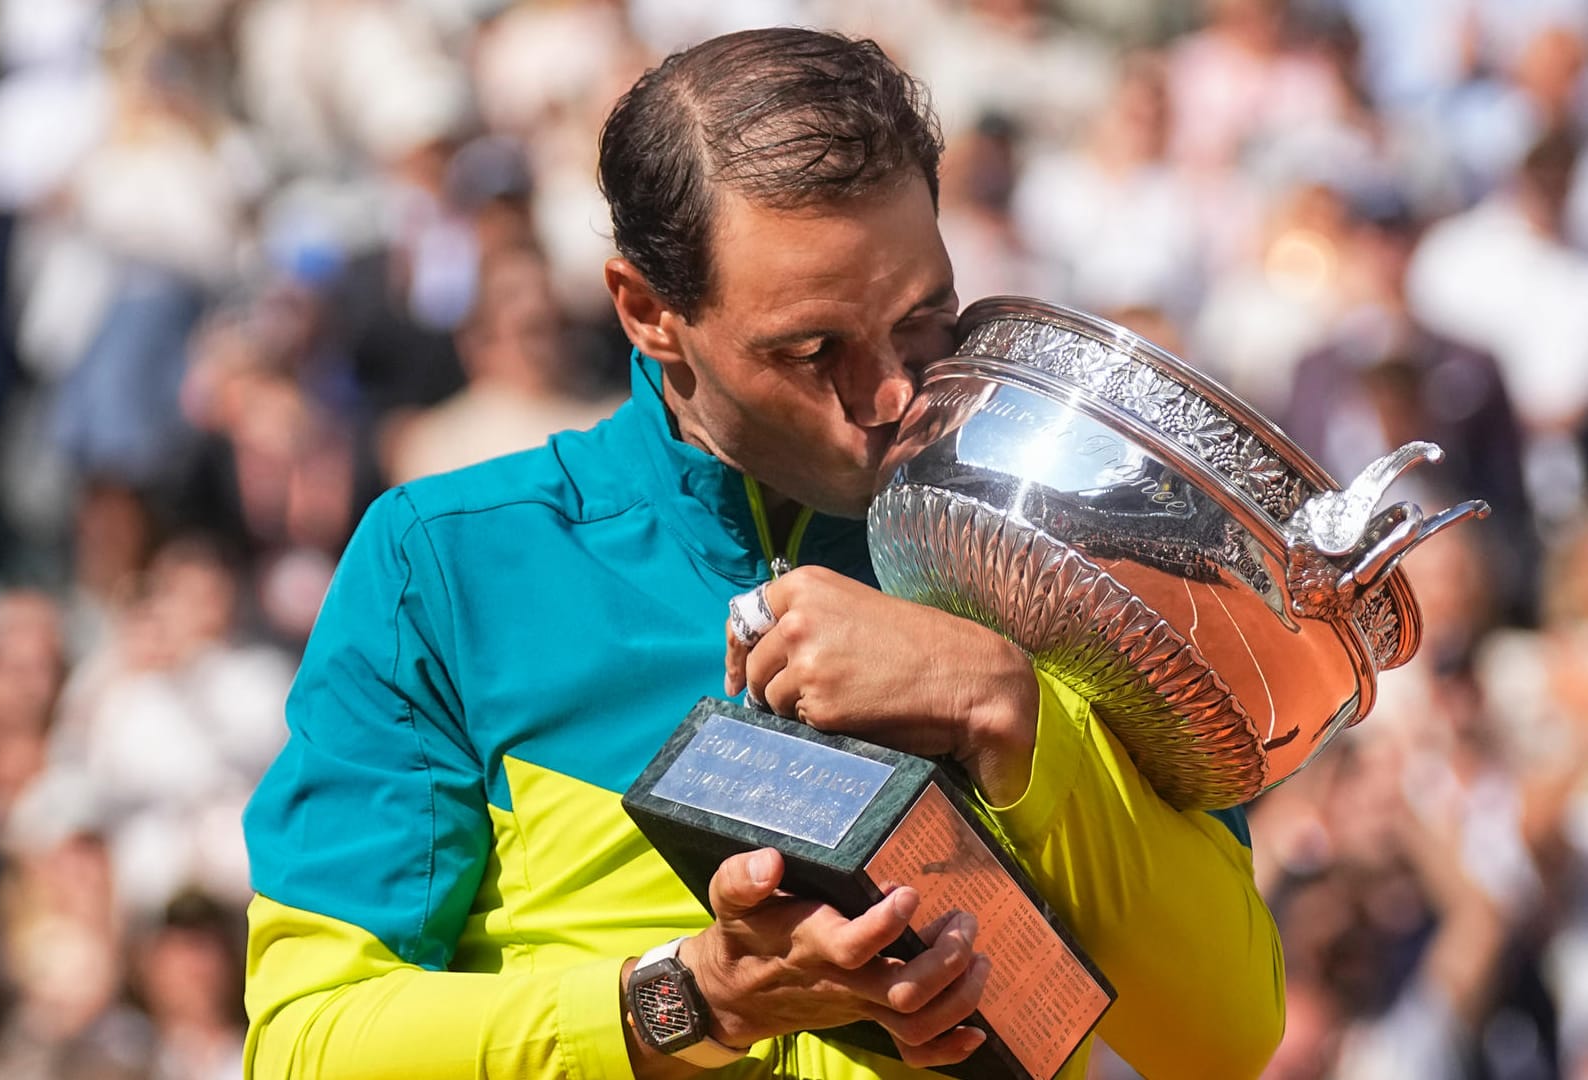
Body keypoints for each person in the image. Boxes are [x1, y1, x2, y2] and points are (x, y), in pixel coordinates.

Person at [241, 28, 1285, 1079]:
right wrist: (687, 1001)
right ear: (647, 311)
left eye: (923, 319)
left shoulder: (1060, 553)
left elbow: (1226, 1040)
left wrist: (1006, 702)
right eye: (811, 349)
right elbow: (304, 1045)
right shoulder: (446, 563)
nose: (890, 395)